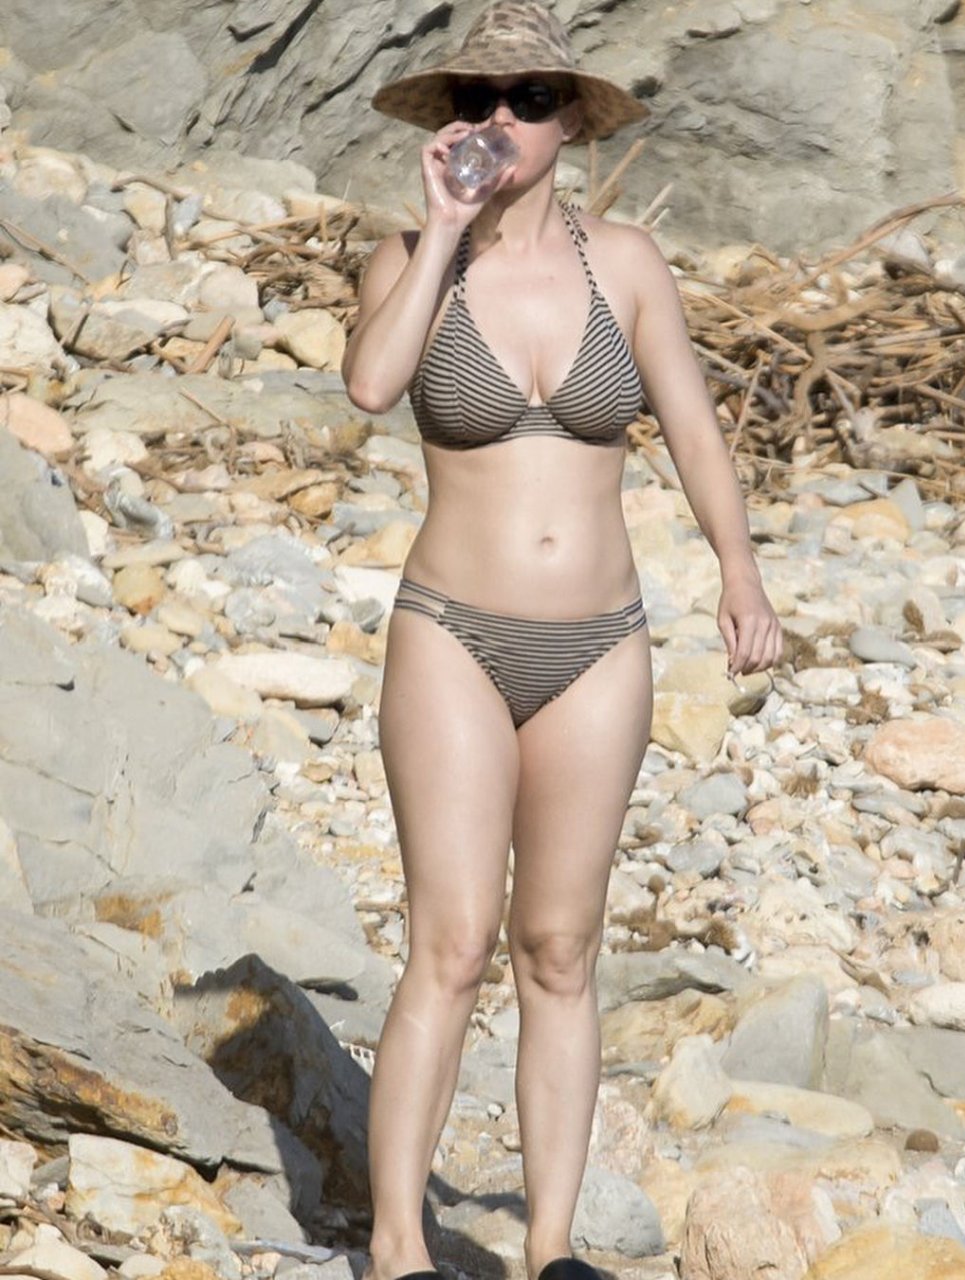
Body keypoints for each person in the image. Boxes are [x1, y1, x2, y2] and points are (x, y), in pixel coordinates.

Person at [342, 4, 783, 1278]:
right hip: (452, 634)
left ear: (573, 120)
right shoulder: (403, 258)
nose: (500, 117)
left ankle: (547, 1248)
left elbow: (691, 424)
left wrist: (739, 571)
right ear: (447, 121)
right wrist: (439, 230)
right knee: (451, 943)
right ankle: (397, 1246)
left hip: (600, 641)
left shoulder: (627, 264)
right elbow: (370, 385)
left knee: (559, 948)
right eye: (475, 97)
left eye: (530, 97)